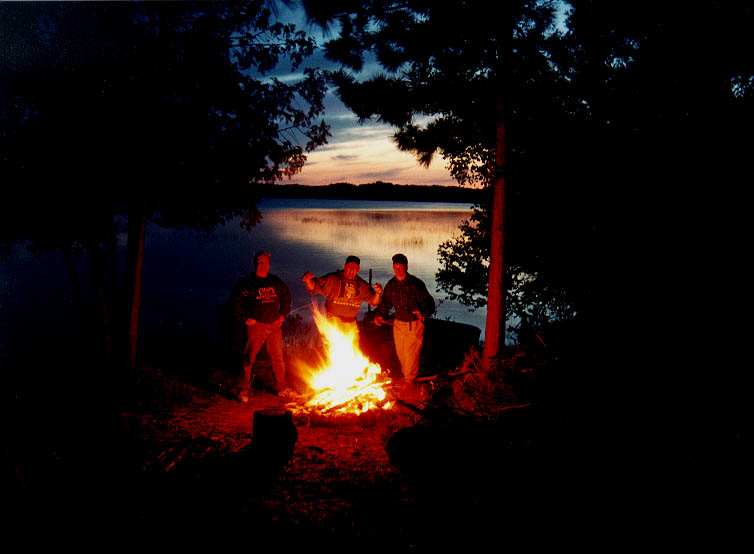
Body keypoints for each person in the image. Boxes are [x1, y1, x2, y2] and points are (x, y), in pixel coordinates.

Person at [228, 251, 291, 402]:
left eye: (264, 262)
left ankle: (282, 388)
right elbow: (235, 302)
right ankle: (243, 390)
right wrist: (245, 319)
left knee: (278, 358)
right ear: (255, 263)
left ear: (268, 264)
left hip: (274, 326)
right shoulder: (247, 283)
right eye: (259, 262)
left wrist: (282, 315)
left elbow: (286, 296)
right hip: (256, 326)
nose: (261, 265)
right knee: (249, 358)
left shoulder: (275, 281)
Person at [374, 253, 435, 383]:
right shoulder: (391, 285)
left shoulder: (416, 284)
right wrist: (379, 315)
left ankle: (409, 383)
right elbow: (386, 303)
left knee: (411, 355)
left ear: (406, 267)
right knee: (402, 355)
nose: (397, 270)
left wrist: (422, 311)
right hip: (398, 325)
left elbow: (429, 303)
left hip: (414, 325)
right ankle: (408, 379)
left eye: (400, 267)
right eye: (395, 267)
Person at [301, 255, 383, 333]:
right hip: (333, 323)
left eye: (354, 268)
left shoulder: (362, 285)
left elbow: (374, 302)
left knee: (351, 343)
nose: (351, 270)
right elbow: (313, 287)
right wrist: (308, 280)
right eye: (349, 267)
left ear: (358, 269)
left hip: (351, 326)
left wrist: (378, 293)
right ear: (345, 266)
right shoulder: (333, 279)